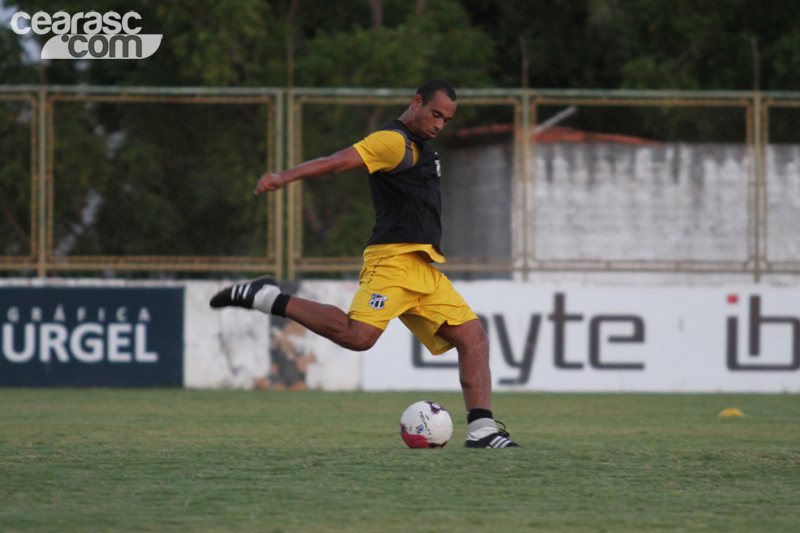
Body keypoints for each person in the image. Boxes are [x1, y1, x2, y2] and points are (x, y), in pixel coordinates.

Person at [211, 79, 519, 448]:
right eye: (435, 114)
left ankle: (483, 432)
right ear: (417, 102)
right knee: (357, 337)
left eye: (446, 120)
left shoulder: (421, 145)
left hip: (422, 267)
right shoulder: (393, 141)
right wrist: (284, 177)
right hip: (391, 262)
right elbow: (338, 162)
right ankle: (266, 297)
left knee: (474, 338)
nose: (439, 124)